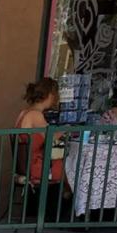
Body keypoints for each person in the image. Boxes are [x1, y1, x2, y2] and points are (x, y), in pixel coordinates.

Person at [15, 78, 70, 218]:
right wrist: (65, 130)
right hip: (37, 165)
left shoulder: (24, 113)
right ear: (50, 95)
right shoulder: (36, 115)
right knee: (69, 167)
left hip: (25, 163)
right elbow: (51, 137)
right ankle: (67, 209)